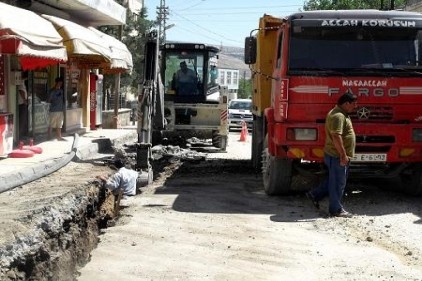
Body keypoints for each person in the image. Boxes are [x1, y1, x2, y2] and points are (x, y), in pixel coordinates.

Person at [306, 92, 358, 218]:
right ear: (346, 103)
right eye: (354, 104)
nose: (355, 107)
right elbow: (336, 136)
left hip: (335, 155)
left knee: (333, 180)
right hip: (337, 156)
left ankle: (314, 194)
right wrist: (343, 155)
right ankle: (335, 209)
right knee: (338, 183)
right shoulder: (338, 116)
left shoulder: (341, 114)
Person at [17, 74, 28, 139]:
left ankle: (21, 134)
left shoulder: (22, 82)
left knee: (23, 119)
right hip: (22, 103)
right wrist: (24, 100)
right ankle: (20, 135)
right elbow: (21, 91)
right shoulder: (21, 82)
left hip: (22, 102)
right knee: (22, 119)